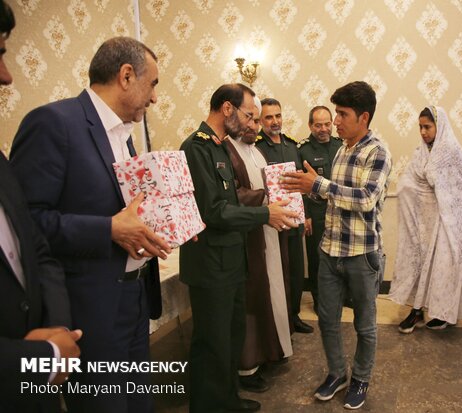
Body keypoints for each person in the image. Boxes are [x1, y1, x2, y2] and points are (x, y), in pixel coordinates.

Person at [10, 36, 172, 413]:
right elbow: (28, 223)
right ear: (127, 76)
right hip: (90, 307)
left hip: (133, 299)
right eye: (153, 85)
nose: (154, 98)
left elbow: (122, 213)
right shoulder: (54, 123)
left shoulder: (125, 138)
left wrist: (154, 228)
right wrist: (108, 230)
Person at [179, 83, 298, 413]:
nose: (251, 123)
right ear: (227, 108)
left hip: (231, 261)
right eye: (249, 115)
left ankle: (227, 400)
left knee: (230, 339)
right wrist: (265, 213)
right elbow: (214, 210)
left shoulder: (220, 147)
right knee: (211, 343)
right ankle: (207, 406)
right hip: (210, 264)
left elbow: (231, 202)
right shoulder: (197, 148)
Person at [283, 81, 392, 410]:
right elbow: (335, 196)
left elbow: (365, 199)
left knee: (365, 325)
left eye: (342, 115)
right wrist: (308, 189)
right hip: (330, 251)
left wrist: (318, 183)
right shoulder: (343, 149)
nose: (336, 121)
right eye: (335, 115)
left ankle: (360, 378)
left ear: (363, 117)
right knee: (328, 320)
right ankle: (337, 373)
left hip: (362, 255)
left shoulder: (378, 152)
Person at [0, 2, 82, 411]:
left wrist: (58, 327)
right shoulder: (52, 124)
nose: (7, 75)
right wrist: (39, 359)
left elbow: (34, 248)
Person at [388, 106, 462, 332]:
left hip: (446, 223)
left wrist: (446, 215)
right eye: (420, 127)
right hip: (424, 222)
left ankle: (444, 314)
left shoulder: (451, 150)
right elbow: (410, 182)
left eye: (427, 127)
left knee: (444, 268)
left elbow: (460, 190)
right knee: (418, 265)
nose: (423, 132)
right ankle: (416, 312)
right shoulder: (421, 151)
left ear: (439, 126)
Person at [225, 96, 292, 392]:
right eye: (251, 119)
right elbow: (233, 196)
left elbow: (269, 187)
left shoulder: (255, 152)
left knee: (273, 291)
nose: (254, 126)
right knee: (253, 300)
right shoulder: (226, 151)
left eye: (256, 120)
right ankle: (248, 366)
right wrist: (265, 198)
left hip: (268, 231)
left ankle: (269, 351)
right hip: (247, 237)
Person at [255, 98, 313, 334]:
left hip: (295, 219)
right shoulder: (256, 147)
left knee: (296, 271)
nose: (275, 121)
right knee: (276, 272)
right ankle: (278, 320)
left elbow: (301, 183)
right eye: (269, 117)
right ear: (260, 120)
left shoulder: (292, 145)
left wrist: (306, 216)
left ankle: (294, 315)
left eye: (278, 115)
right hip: (272, 221)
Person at [297, 106, 342, 314]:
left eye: (327, 124)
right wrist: (305, 215)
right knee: (318, 259)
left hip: (340, 212)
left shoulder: (341, 146)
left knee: (341, 257)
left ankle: (341, 296)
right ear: (310, 125)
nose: (324, 129)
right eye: (318, 125)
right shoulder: (302, 150)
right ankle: (319, 299)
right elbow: (299, 188)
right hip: (316, 214)